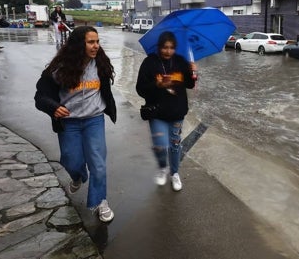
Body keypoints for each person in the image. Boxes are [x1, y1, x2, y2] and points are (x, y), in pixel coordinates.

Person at [34, 26, 117, 222]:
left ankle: (100, 202)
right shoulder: (59, 68)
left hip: (94, 120)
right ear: (79, 44)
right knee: (70, 160)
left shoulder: (101, 65)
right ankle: (78, 177)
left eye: (97, 41)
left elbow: (106, 90)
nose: (96, 46)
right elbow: (40, 96)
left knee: (98, 163)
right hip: (69, 122)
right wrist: (53, 107)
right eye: (91, 42)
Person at [136, 31, 197, 191]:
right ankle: (163, 167)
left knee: (175, 145)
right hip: (157, 113)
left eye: (171, 48)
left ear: (175, 48)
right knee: (160, 145)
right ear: (159, 47)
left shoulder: (181, 62)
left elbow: (190, 85)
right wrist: (157, 85)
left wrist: (193, 72)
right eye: (164, 47)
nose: (168, 51)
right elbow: (140, 89)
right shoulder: (149, 63)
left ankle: (174, 173)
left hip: (177, 112)